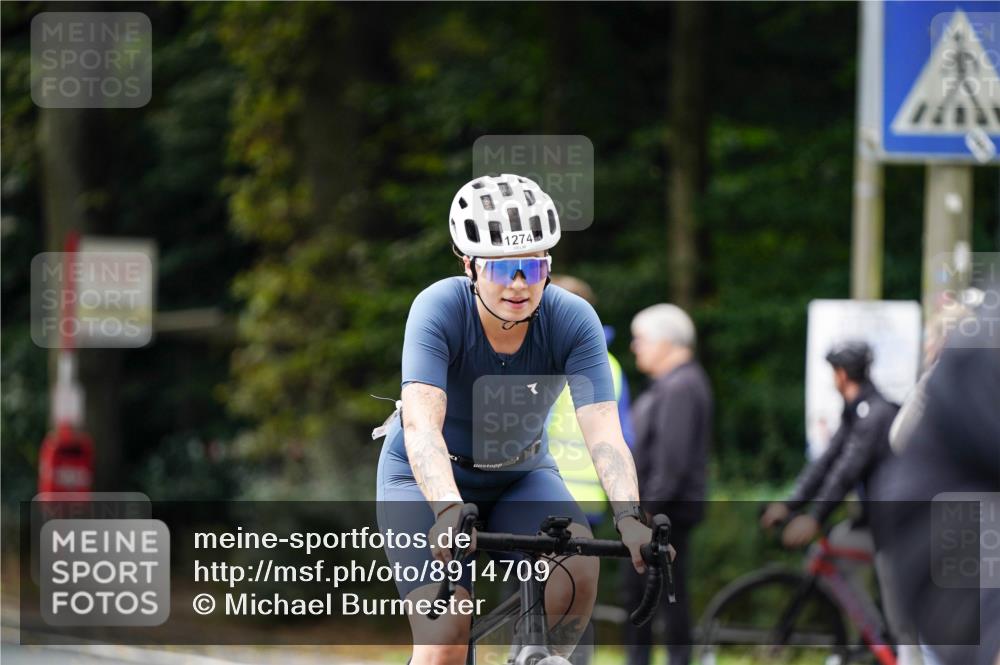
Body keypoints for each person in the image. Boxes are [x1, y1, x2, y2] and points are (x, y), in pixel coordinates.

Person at [375, 174, 657, 665]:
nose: (520, 285)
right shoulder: (438, 308)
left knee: (579, 567)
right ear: (470, 265)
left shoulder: (574, 319)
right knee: (446, 635)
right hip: (426, 479)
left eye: (533, 266)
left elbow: (604, 431)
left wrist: (630, 519)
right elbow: (422, 424)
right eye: (503, 269)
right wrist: (445, 509)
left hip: (519, 474)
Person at [624, 304, 713, 665]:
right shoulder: (676, 384)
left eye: (641, 339)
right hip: (663, 513)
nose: (635, 347)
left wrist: (646, 511)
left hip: (663, 516)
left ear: (667, 342)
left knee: (656, 598)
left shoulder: (680, 386)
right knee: (658, 597)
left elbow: (671, 462)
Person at [546, 274, 636, 525]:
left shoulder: (550, 357)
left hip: (544, 495)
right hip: (590, 498)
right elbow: (625, 437)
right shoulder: (612, 366)